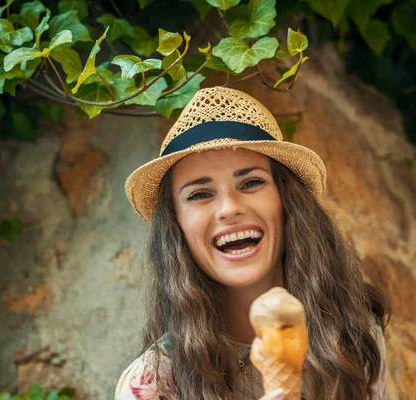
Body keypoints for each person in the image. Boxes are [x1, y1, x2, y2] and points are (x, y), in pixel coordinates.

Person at [115, 87, 390, 400]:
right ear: (177, 226)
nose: (230, 207)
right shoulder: (153, 386)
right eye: (200, 194)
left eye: (252, 182)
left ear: (287, 200)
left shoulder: (355, 333)